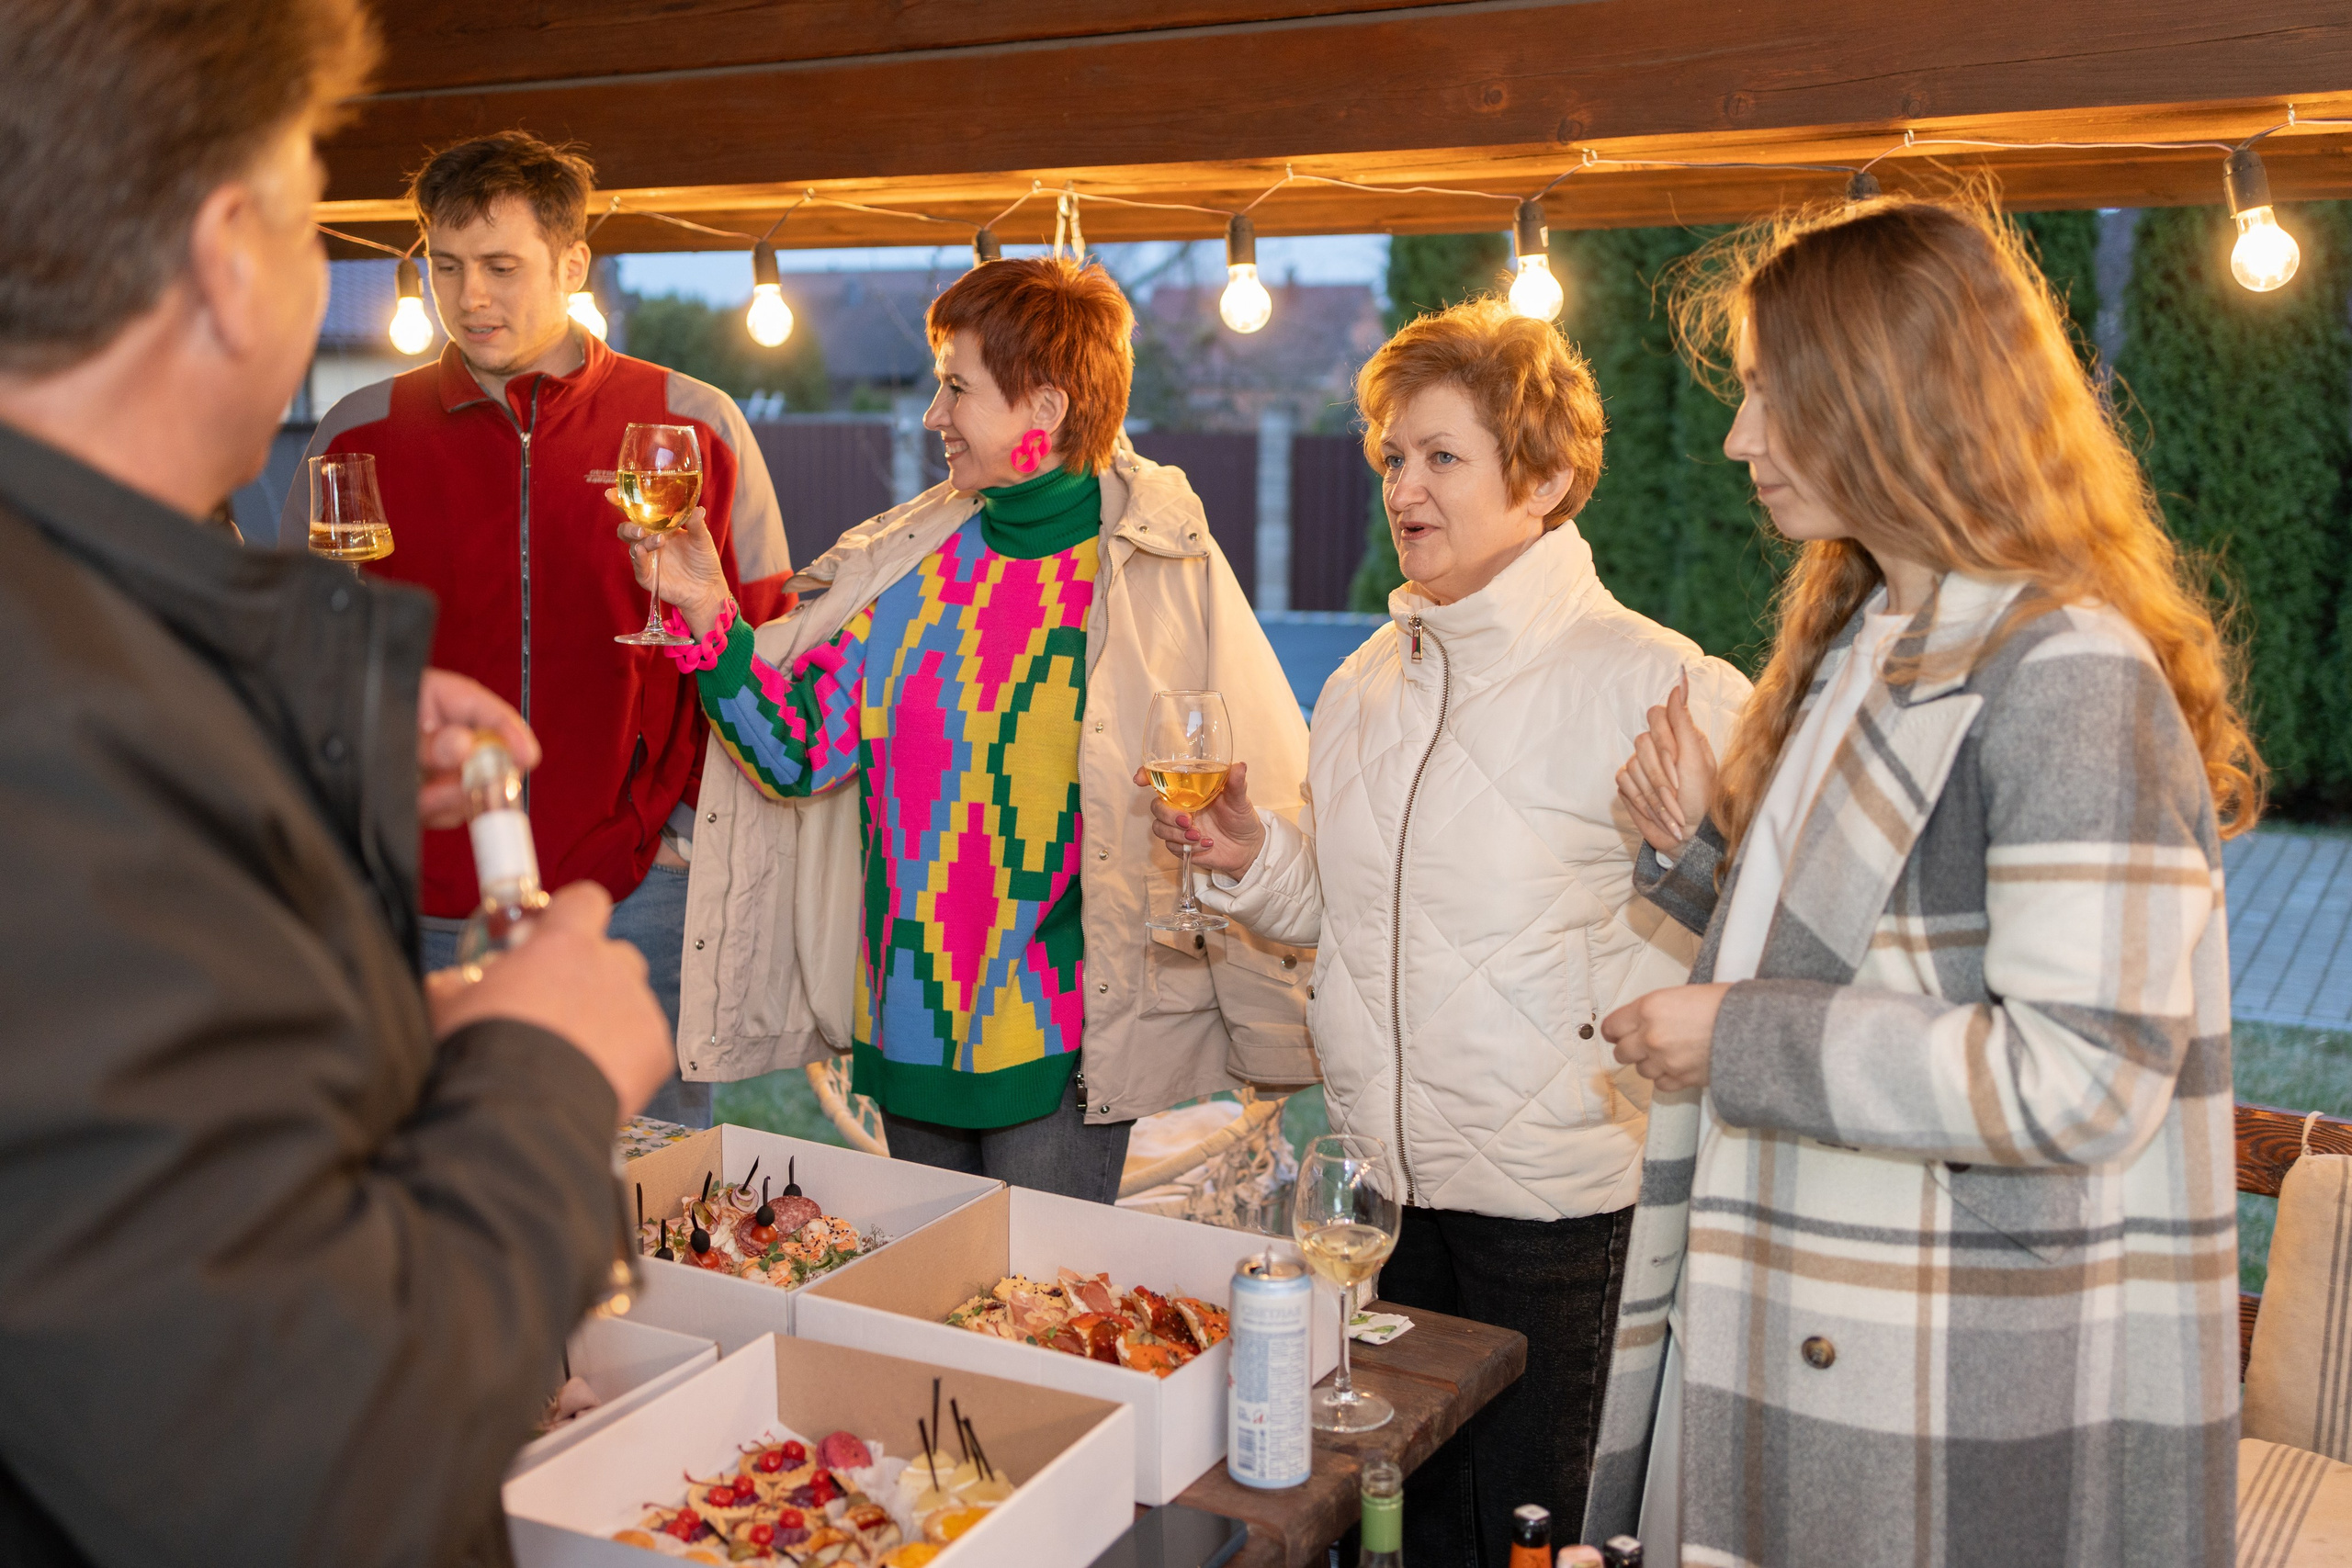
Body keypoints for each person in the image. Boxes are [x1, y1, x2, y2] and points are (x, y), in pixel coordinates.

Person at [0, 2, 675, 1563]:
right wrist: (539, 1078)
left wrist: (322, 729)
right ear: (230, 255)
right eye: (318, 222)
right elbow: (307, 1467)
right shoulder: (62, 755)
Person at [1588, 195, 2256, 1567]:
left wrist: (1735, 1036)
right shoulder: (1865, 634)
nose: (1738, 437)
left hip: (1936, 1371)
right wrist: (1701, 861)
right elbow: (1878, 949)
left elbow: (2083, 1078)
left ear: (1891, 398)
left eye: (1776, 392)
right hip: (1811, 1312)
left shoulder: (2068, 671)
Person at [1146, 298, 1750, 1568]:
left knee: (1529, 1540)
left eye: (1441, 456)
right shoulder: (1368, 681)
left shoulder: (1666, 685)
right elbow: (1350, 914)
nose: (1403, 487)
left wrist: (1702, 846)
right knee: (1398, 1534)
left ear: (1544, 480)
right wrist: (1258, 857)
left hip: (1560, 1217)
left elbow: (1763, 945)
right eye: (1389, 458)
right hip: (1379, 1199)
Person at [621, 255, 1317, 1201]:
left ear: (1045, 407)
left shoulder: (1151, 578)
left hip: (1061, 1048)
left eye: (957, 389)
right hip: (906, 1036)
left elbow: (1251, 783)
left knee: (1044, 1319)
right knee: (932, 1313)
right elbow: (794, 754)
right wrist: (708, 618)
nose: (932, 416)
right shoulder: (905, 576)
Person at [288, 130, 794, 1128]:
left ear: (572, 266)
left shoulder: (693, 424)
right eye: (445, 266)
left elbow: (769, 652)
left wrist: (687, 835)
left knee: (648, 1201)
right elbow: (298, 673)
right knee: (431, 1180)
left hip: (636, 896)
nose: (470, 297)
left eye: (502, 267)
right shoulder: (354, 437)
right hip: (421, 893)